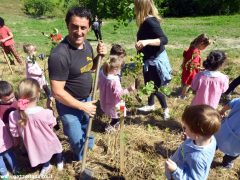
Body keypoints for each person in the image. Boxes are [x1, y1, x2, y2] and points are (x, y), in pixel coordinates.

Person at [48, 7, 107, 161]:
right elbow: (57, 92)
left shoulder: (86, 45)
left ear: (88, 28)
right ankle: (81, 157)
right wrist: (82, 106)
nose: (79, 32)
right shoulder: (59, 55)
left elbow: (90, 67)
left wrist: (100, 56)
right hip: (69, 106)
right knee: (75, 137)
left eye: (83, 28)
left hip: (87, 99)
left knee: (87, 126)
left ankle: (90, 146)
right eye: (74, 26)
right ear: (67, 25)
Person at [8, 78, 63, 177]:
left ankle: (47, 165)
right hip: (49, 138)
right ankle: (57, 162)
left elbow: (14, 131)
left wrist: (18, 139)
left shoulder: (13, 115)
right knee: (57, 149)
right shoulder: (45, 112)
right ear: (38, 95)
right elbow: (52, 124)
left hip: (31, 142)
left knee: (41, 153)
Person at [134, 0, 171, 120]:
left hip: (155, 60)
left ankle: (165, 109)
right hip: (147, 59)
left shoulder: (150, 21)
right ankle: (151, 105)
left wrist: (146, 42)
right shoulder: (144, 21)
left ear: (140, 7)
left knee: (155, 87)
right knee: (147, 83)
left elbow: (164, 39)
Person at [165, 105, 221, 180]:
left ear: (196, 135)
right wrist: (189, 139)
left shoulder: (197, 159)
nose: (183, 128)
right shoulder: (210, 138)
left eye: (185, 128)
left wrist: (175, 170)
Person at [98, 55, 135, 133]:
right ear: (115, 69)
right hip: (115, 103)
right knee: (119, 115)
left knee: (114, 115)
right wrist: (129, 89)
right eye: (119, 68)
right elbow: (119, 95)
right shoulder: (114, 80)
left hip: (105, 100)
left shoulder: (102, 73)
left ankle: (114, 123)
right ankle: (112, 127)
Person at [23, 44, 53, 108]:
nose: (36, 52)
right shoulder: (29, 60)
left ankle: (49, 95)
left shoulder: (31, 57)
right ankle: (36, 100)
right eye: (35, 51)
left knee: (45, 84)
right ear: (30, 52)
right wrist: (39, 73)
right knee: (38, 89)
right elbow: (30, 71)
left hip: (39, 77)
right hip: (36, 77)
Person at [180, 34, 210, 99]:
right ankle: (182, 95)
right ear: (201, 44)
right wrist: (200, 68)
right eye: (205, 47)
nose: (204, 48)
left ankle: (183, 90)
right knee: (188, 83)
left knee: (185, 79)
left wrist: (183, 63)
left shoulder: (192, 47)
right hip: (191, 70)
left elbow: (185, 56)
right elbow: (193, 64)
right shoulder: (195, 51)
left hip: (186, 67)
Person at [215, 98, 240, 168]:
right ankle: (227, 163)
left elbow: (230, 104)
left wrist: (222, 111)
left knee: (214, 142)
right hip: (237, 144)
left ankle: (208, 152)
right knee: (232, 155)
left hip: (224, 130)